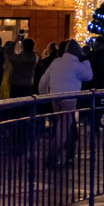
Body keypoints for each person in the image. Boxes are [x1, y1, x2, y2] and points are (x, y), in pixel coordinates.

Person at [41, 39, 94, 167]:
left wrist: (44, 95)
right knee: (64, 128)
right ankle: (52, 156)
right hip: (69, 98)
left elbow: (44, 80)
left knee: (62, 126)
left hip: (55, 97)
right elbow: (89, 76)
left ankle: (69, 153)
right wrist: (86, 60)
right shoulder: (77, 65)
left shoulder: (56, 62)